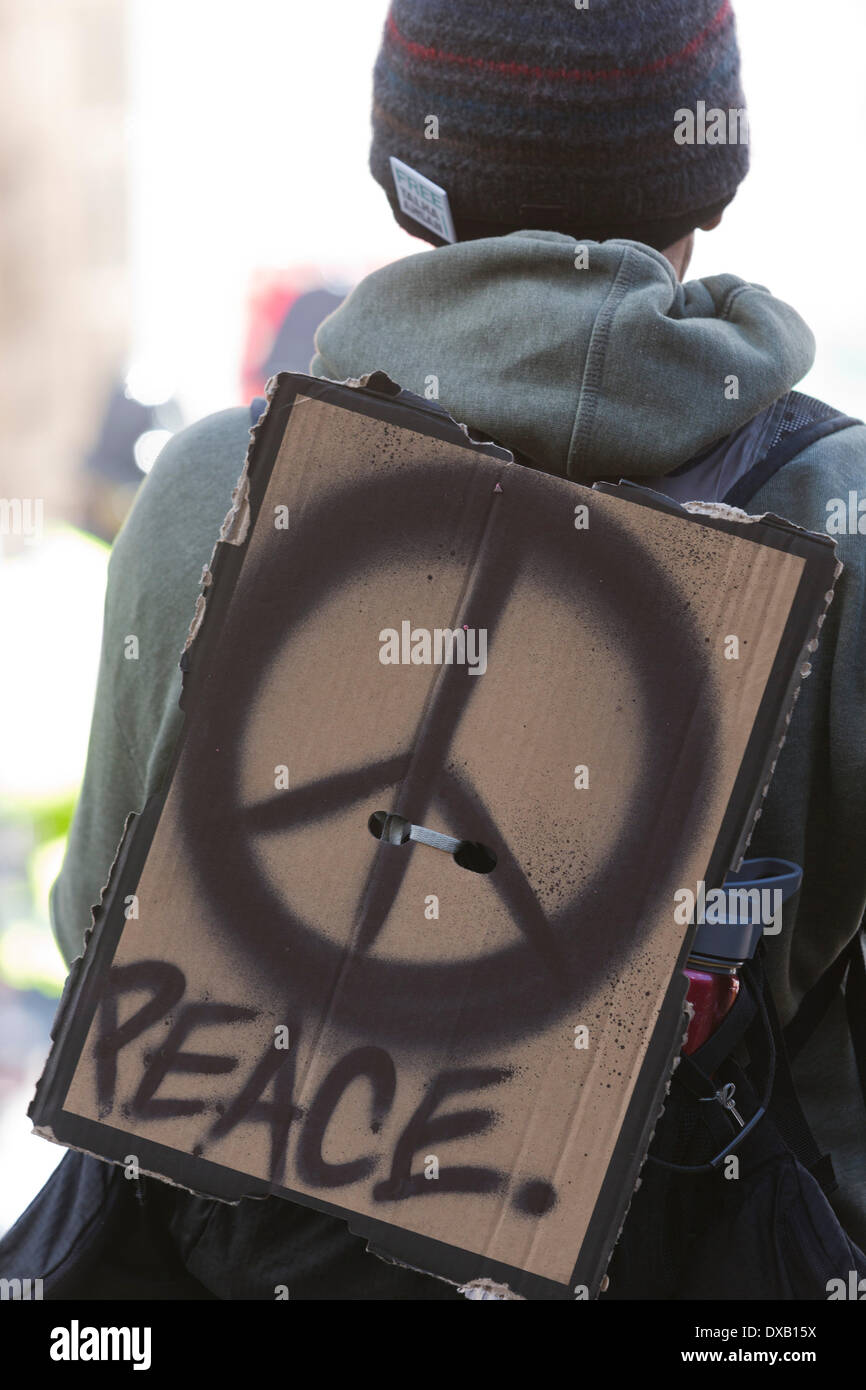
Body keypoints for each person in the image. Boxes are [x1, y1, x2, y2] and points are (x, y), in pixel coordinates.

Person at [34, 0, 866, 1296]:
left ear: (414, 183)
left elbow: (100, 929)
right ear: (709, 170)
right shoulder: (838, 515)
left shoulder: (218, 488)